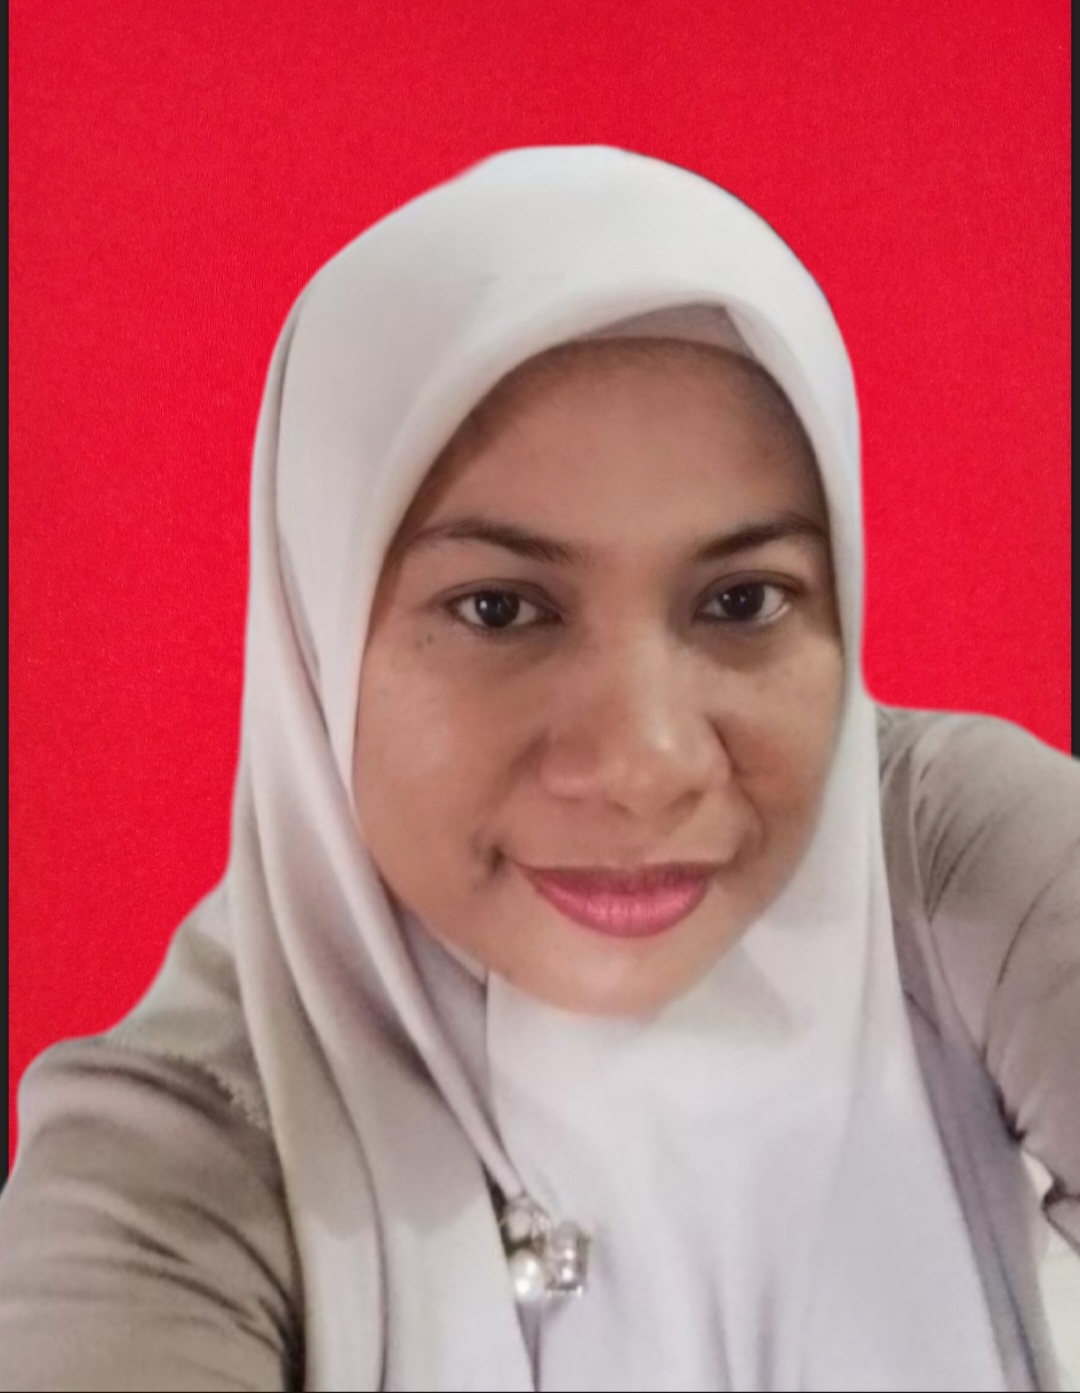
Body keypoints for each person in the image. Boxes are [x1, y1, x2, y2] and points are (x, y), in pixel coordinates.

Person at [1, 145, 1077, 1393]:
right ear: (317, 640)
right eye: (500, 609)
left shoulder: (942, 859)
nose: (645, 765)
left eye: (742, 599)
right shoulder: (182, 1153)